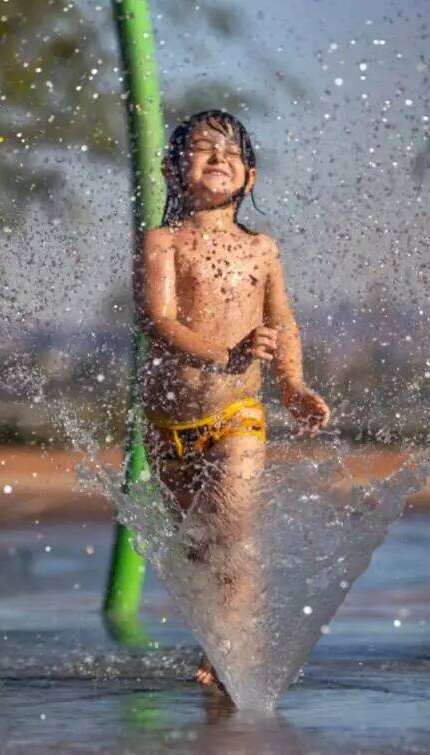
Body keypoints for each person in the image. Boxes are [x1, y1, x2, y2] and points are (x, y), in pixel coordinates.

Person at [134, 110, 331, 688]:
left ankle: (232, 654)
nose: (219, 158)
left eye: (232, 152)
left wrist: (291, 386)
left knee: (233, 534)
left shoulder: (262, 250)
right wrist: (222, 352)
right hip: (167, 423)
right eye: (202, 149)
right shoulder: (163, 242)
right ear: (173, 171)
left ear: (251, 178)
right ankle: (215, 644)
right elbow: (158, 318)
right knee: (198, 550)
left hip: (236, 415)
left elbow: (283, 321)